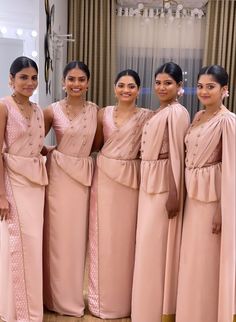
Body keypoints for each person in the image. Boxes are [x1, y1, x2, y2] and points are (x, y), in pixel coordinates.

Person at [87, 69, 152, 318]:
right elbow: (94, 145)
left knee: (126, 242)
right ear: (114, 87)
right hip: (103, 180)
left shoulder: (147, 117)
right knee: (102, 238)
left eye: (131, 86)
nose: (126, 90)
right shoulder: (103, 113)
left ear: (138, 89)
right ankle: (99, 302)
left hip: (130, 183)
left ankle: (125, 302)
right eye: (122, 85)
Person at [176, 65, 236, 322]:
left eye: (210, 86)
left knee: (206, 261)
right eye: (200, 86)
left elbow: (232, 169)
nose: (203, 91)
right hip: (192, 197)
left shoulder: (228, 120)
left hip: (213, 201)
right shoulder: (198, 116)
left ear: (225, 90)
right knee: (192, 259)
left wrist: (223, 210)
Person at [131, 62, 190, 322]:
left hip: (164, 187)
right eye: (158, 82)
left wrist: (174, 193)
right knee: (145, 246)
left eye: (168, 83)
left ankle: (155, 310)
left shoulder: (177, 113)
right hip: (148, 182)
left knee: (154, 248)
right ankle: (143, 306)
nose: (162, 87)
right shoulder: (159, 111)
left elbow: (177, 154)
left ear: (179, 87)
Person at [43, 61, 98, 317]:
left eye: (81, 79)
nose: (76, 84)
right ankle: (54, 298)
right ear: (63, 82)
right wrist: (53, 152)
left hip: (82, 182)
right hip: (58, 180)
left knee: (77, 241)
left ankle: (73, 296)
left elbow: (98, 144)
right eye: (71, 79)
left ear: (88, 83)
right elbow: (34, 140)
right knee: (57, 240)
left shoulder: (96, 111)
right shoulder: (51, 111)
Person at [0, 56, 48, 322]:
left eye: (33, 77)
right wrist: (1, 195)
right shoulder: (4, 107)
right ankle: (15, 309)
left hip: (35, 183)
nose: (29, 82)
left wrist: (52, 151)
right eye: (23, 77)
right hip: (13, 183)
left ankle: (31, 305)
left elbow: (35, 143)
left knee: (33, 244)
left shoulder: (38, 109)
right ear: (11, 79)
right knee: (16, 243)